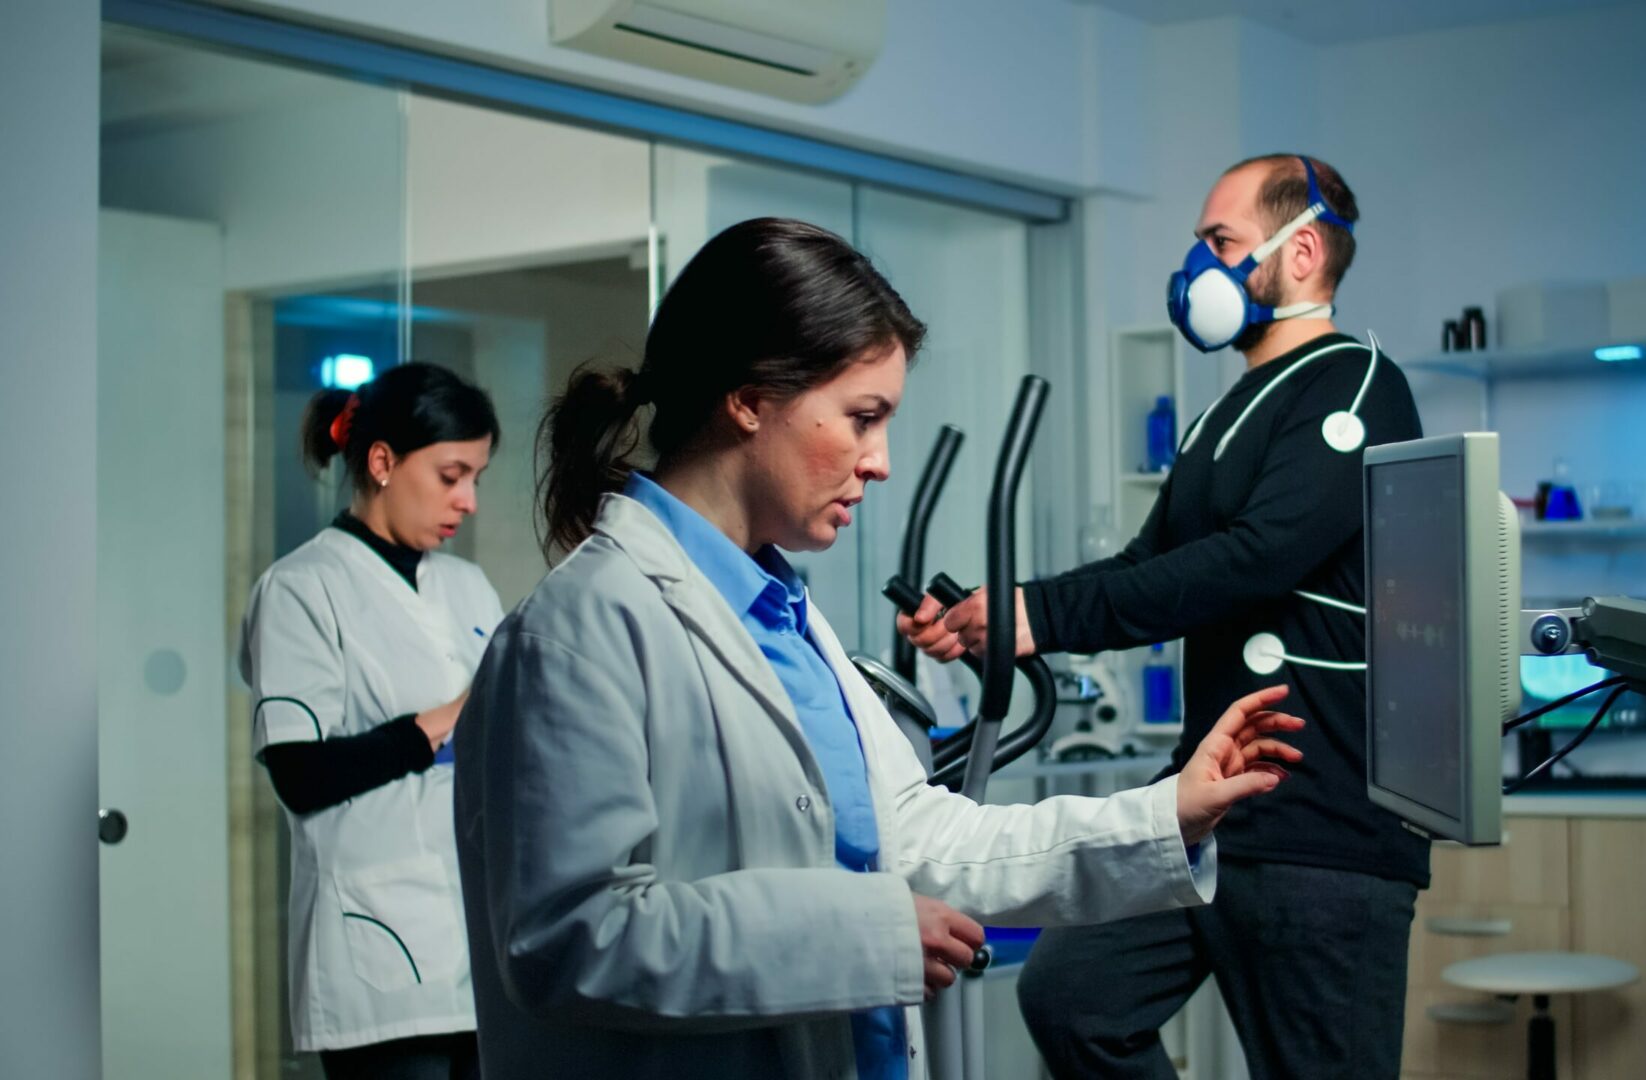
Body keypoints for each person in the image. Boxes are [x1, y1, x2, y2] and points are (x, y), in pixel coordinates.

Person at [451, 217, 1307, 1080]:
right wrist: (867, 933)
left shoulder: (785, 617)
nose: (880, 461)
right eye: (862, 419)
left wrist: (1168, 815)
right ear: (749, 398)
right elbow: (569, 942)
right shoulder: (579, 630)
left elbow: (919, 836)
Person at [901, 155, 1427, 1079]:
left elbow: (1255, 559)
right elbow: (1151, 567)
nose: (1199, 270)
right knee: (1071, 1001)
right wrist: (1005, 612)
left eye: (1220, 243)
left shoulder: (1355, 387)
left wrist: (1042, 614)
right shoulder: (1224, 413)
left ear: (1300, 251)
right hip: (1208, 805)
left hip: (1319, 822)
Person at [239, 362, 503, 1080]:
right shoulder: (301, 589)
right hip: (376, 958)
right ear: (382, 462)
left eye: (476, 477)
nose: (468, 500)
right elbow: (300, 773)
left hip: (477, 956)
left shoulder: (468, 586)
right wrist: (446, 720)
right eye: (451, 475)